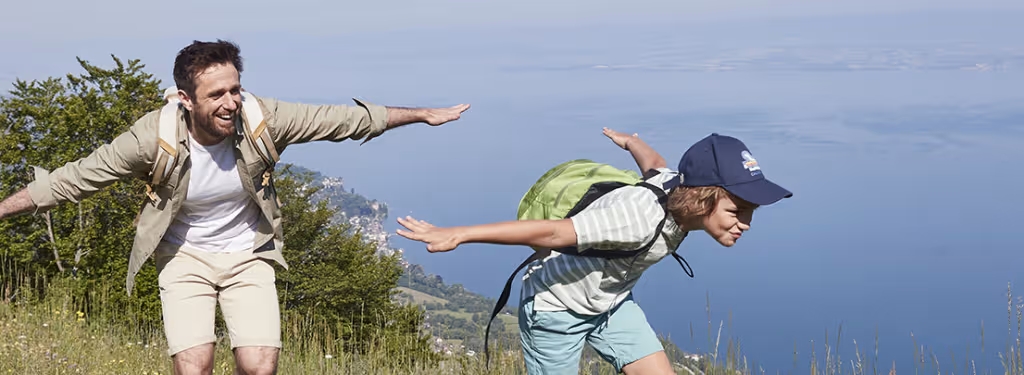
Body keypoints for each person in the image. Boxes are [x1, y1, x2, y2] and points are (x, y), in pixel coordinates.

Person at [0, 39, 470, 375]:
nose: (231, 103)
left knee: (259, 363)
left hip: (249, 253)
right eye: (216, 95)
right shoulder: (152, 138)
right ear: (185, 100)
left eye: (235, 89)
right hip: (184, 256)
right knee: (194, 362)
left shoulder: (262, 119)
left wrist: (420, 115)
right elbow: (74, 180)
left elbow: (342, 120)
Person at [394, 127, 792, 374]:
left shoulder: (677, 187)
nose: (745, 223)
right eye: (736, 210)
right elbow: (551, 233)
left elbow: (655, 165)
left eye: (749, 211)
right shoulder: (634, 219)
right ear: (703, 198)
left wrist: (631, 141)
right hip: (556, 310)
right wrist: (459, 234)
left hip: (611, 304)